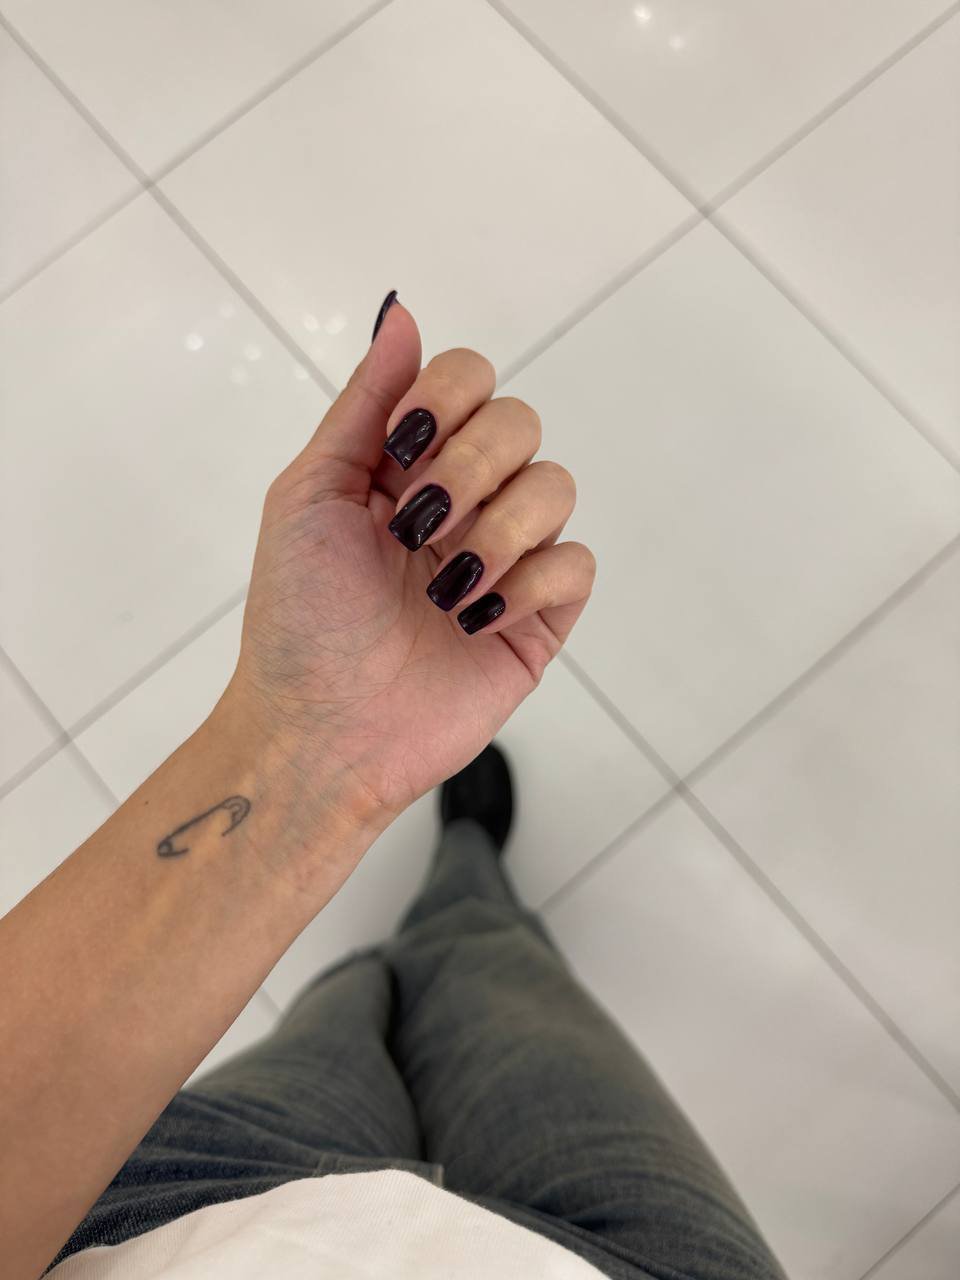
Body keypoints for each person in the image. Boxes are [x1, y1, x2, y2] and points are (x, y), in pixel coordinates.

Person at [0, 293, 786, 1280]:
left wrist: (310, 752)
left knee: (344, 1014)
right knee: (486, 955)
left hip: (192, 1207)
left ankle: (393, 951)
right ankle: (463, 883)